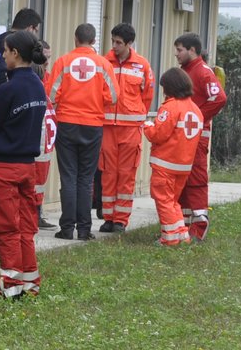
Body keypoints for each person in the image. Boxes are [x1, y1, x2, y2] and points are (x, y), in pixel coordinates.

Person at [0, 30, 48, 298]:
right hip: (28, 167)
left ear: (15, 53)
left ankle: (11, 285)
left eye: (5, 51)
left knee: (4, 228)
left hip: (3, 167)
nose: (2, 56)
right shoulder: (38, 85)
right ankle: (30, 282)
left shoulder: (8, 89)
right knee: (26, 226)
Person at [44, 23, 118, 241]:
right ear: (94, 41)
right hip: (93, 125)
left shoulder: (63, 62)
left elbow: (51, 94)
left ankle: (67, 228)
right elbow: (113, 96)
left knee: (68, 177)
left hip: (66, 124)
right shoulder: (103, 64)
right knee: (86, 179)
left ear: (75, 39)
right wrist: (96, 102)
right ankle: (85, 230)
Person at [0, 7, 41, 232]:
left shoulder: (25, 81)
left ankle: (0, 213)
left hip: (6, 106)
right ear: (31, 28)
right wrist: (14, 89)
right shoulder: (5, 45)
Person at [100, 23, 155, 234]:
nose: (114, 46)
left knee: (126, 174)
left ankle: (121, 220)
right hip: (107, 127)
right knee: (108, 173)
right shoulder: (104, 62)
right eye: (113, 41)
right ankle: (108, 217)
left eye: (119, 43)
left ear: (129, 43)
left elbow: (147, 96)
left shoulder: (142, 65)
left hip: (131, 128)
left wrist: (136, 115)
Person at [144, 67, 205, 246]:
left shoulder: (170, 107)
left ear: (170, 88)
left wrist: (147, 125)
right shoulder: (195, 109)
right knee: (172, 202)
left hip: (165, 164)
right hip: (183, 166)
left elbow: (157, 134)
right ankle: (181, 236)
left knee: (163, 201)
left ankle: (169, 239)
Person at [175, 33, 228, 240]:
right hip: (185, 135)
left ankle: (198, 226)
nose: (176, 54)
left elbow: (219, 98)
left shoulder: (203, 72)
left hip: (197, 136)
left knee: (196, 179)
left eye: (180, 50)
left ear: (192, 50)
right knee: (183, 180)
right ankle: (184, 227)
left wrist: (197, 117)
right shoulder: (186, 70)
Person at [30, 40, 58, 234]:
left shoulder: (47, 79)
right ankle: (33, 216)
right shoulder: (37, 81)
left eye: (48, 57)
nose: (46, 61)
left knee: (37, 183)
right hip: (41, 144)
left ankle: (35, 216)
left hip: (42, 144)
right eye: (43, 58)